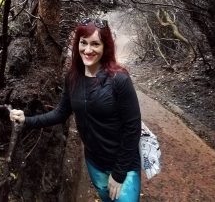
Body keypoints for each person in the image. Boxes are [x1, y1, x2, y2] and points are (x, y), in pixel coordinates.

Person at [10, 18, 141, 202]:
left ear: (105, 47)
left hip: (124, 166)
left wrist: (119, 173)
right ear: (77, 44)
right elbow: (60, 113)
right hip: (94, 163)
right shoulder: (72, 77)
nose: (88, 50)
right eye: (83, 43)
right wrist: (27, 120)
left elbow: (132, 128)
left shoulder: (119, 80)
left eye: (95, 44)